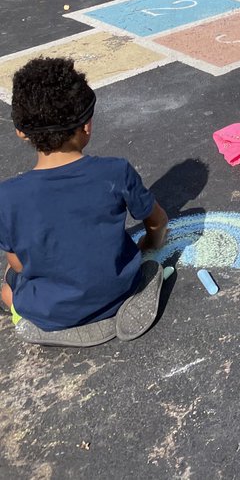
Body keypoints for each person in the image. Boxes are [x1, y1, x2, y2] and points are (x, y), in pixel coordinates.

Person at [1, 57, 168, 347]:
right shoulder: (115, 171)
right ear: (86, 125)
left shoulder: (7, 197)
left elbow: (18, 266)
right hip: (118, 289)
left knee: (8, 286)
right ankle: (122, 303)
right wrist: (150, 245)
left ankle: (34, 320)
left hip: (54, 309)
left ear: (21, 131)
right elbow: (158, 223)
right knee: (143, 266)